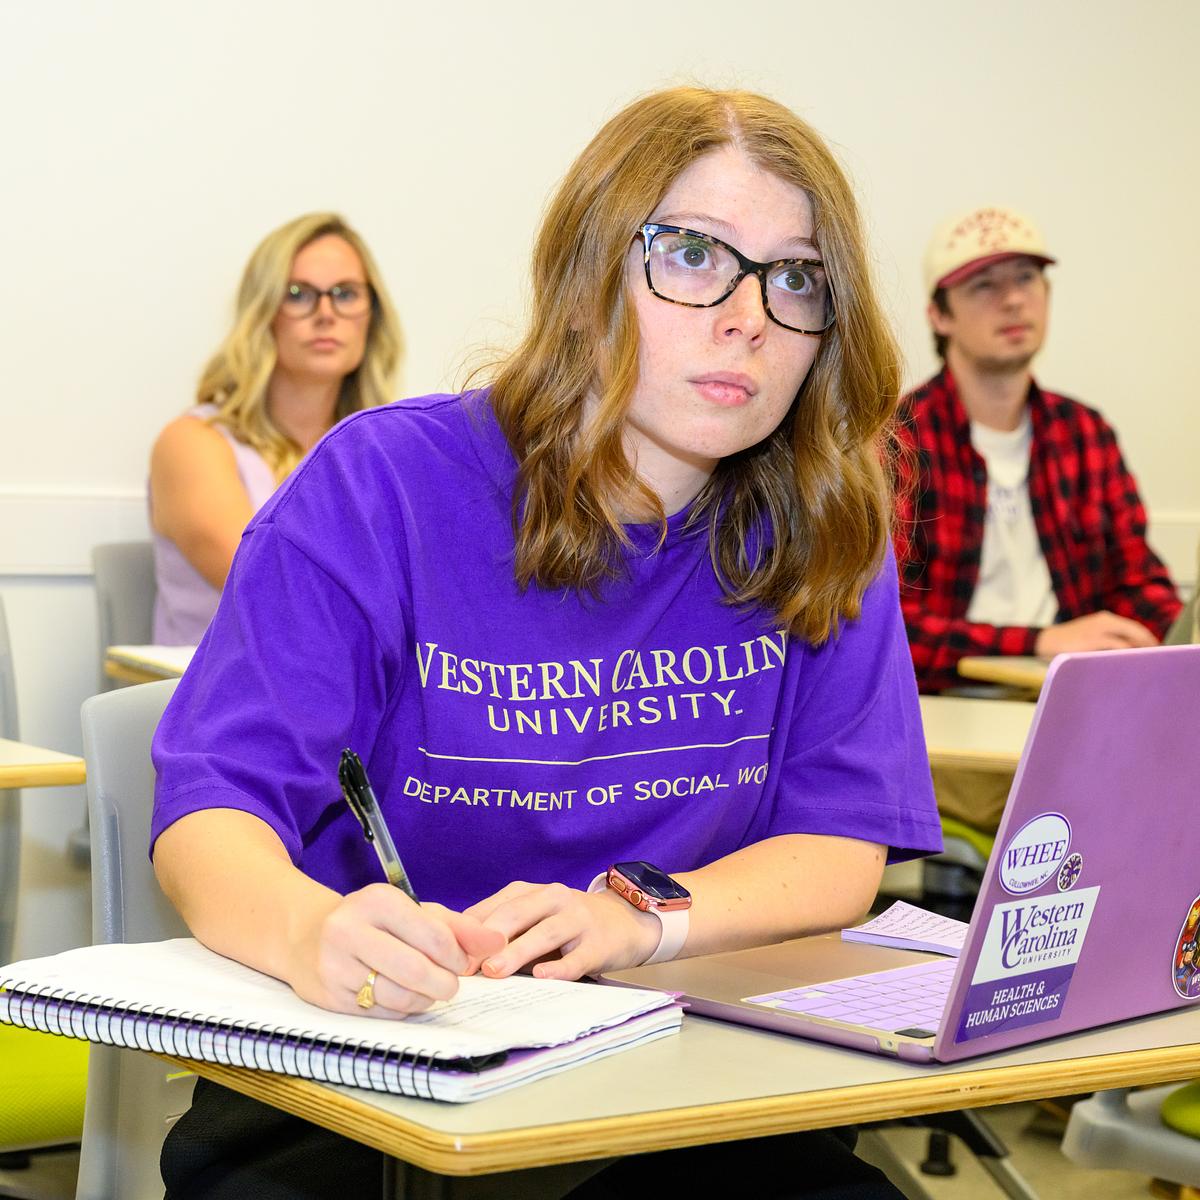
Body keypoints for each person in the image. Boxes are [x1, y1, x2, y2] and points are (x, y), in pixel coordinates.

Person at [150, 87, 941, 1199]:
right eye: (693, 256)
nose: (748, 316)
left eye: (796, 277)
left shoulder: (828, 523)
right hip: (373, 1077)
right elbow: (206, 815)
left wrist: (635, 922)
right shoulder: (382, 488)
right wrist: (308, 933)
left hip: (686, 1075)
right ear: (584, 279)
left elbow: (838, 851)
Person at [894, 206, 1180, 694]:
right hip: (943, 703)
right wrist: (1042, 642)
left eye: (1026, 279)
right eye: (984, 285)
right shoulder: (897, 439)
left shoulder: (1084, 432)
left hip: (1075, 692)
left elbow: (1146, 587)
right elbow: (884, 628)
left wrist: (1130, 644)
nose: (1012, 301)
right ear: (940, 315)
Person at [148, 212, 403, 645]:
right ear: (262, 313)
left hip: (347, 698)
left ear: (372, 315)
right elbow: (273, 591)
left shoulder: (386, 448)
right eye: (298, 294)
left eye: (345, 294)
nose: (326, 313)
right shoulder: (192, 443)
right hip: (218, 704)